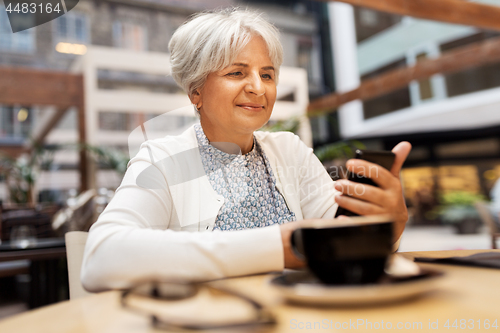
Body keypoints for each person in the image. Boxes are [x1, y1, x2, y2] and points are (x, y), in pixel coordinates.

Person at [81, 8, 411, 292]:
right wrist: (279, 246)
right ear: (196, 92)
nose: (257, 87)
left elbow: (341, 243)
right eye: (237, 72)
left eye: (267, 74)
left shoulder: (290, 150)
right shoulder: (162, 159)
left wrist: (386, 226)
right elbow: (101, 257)